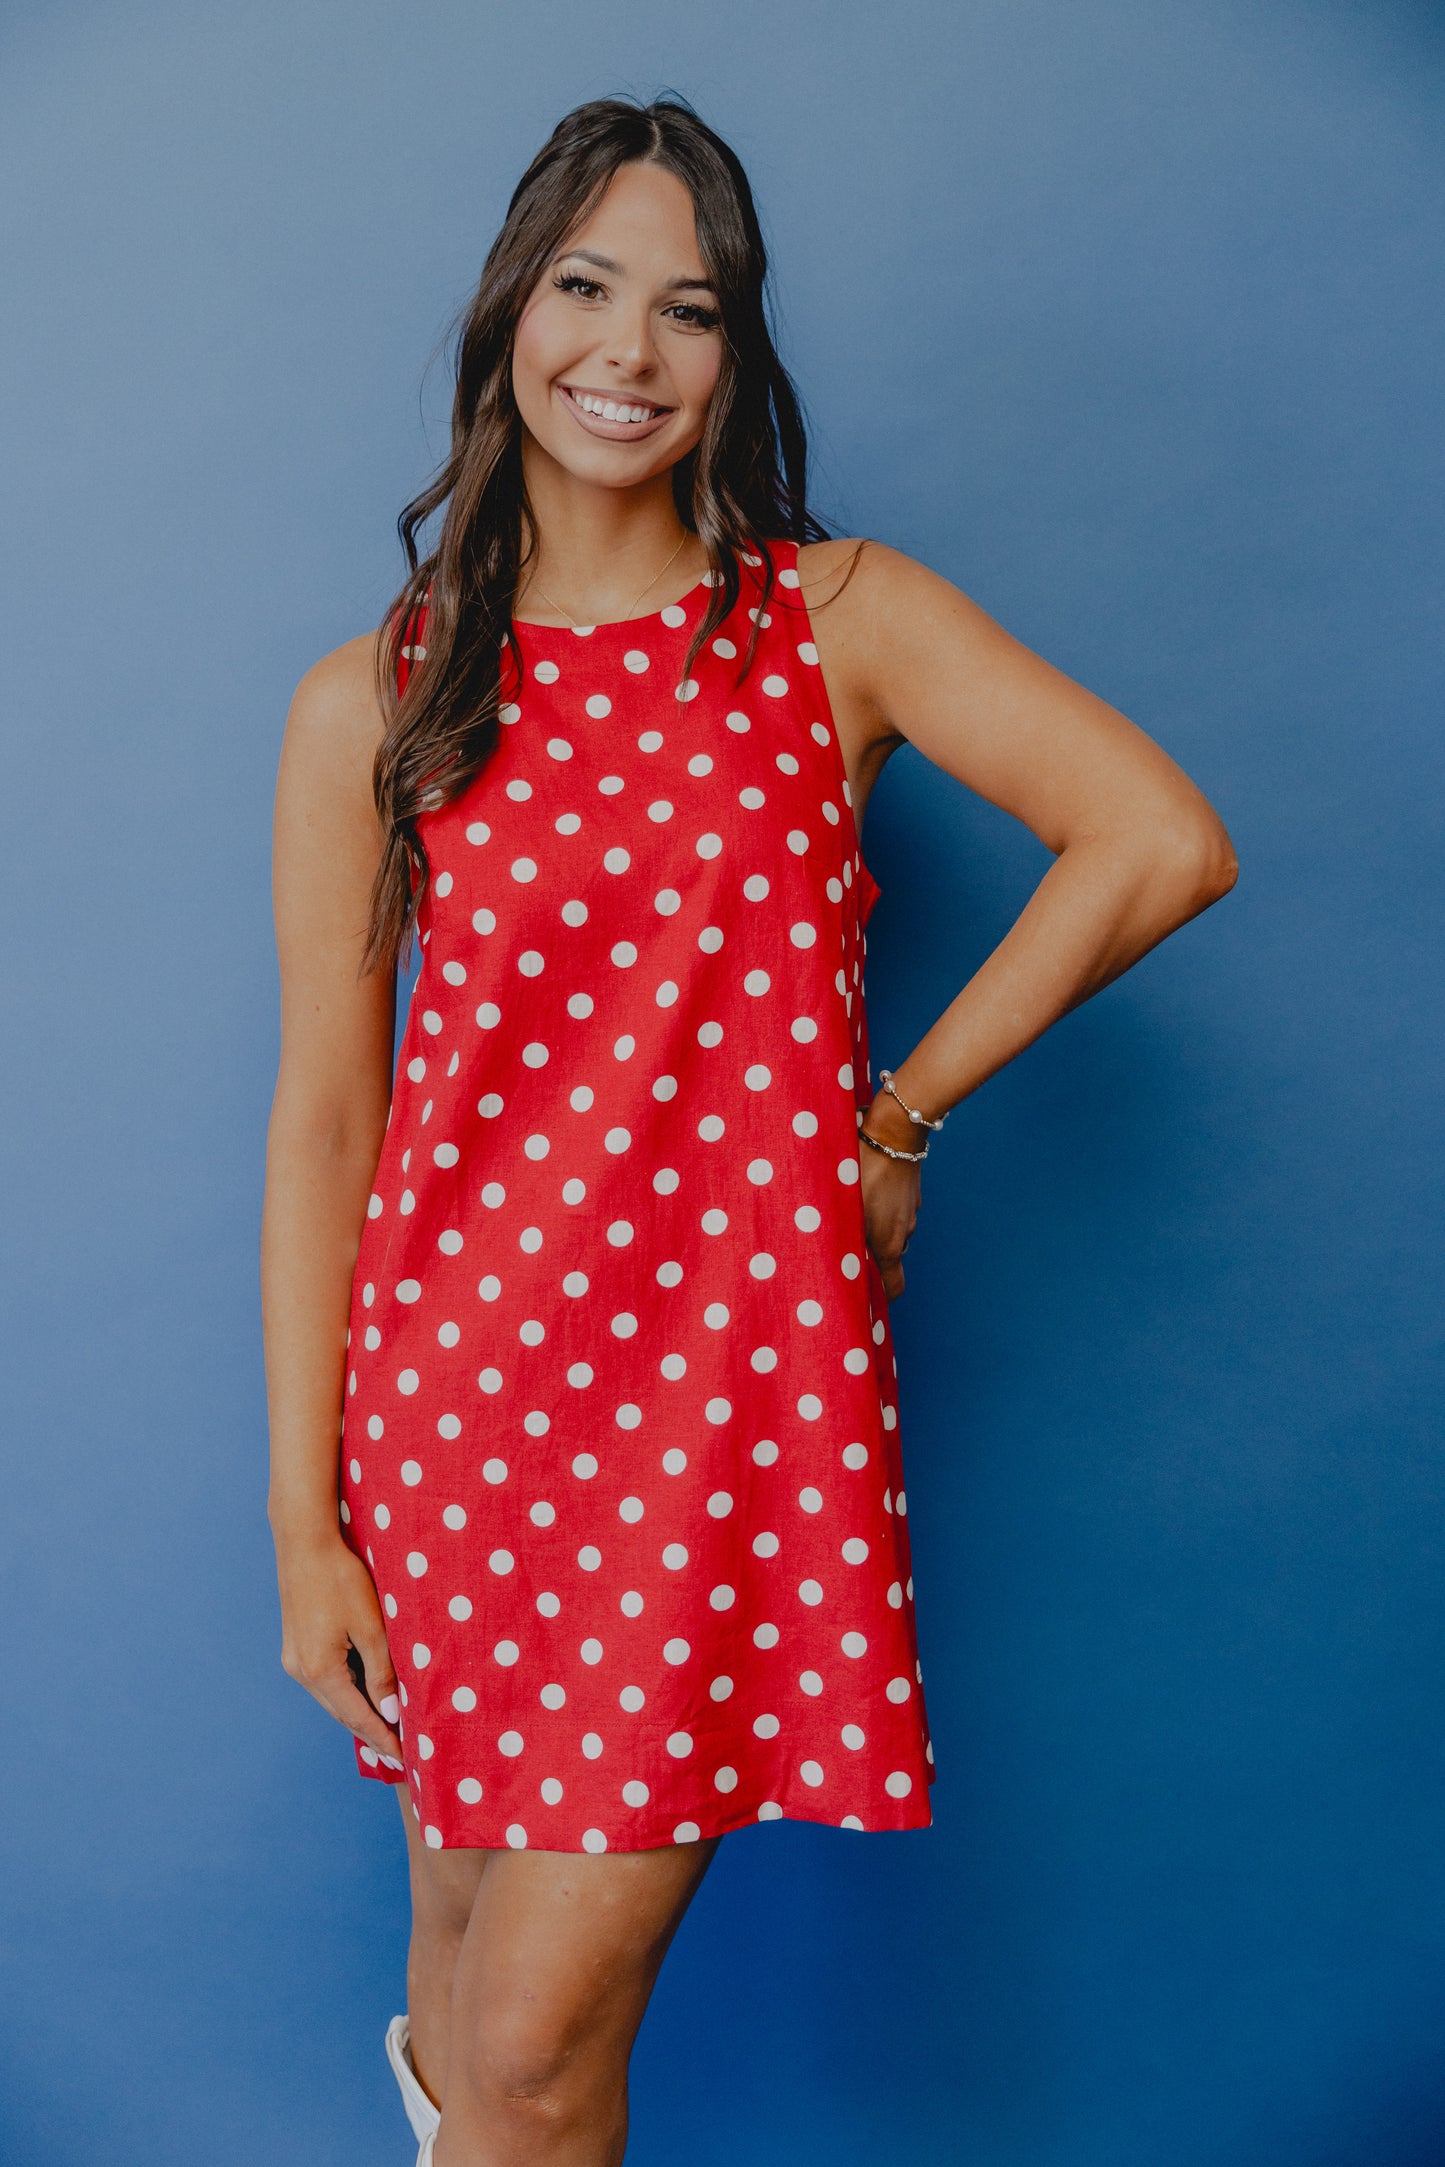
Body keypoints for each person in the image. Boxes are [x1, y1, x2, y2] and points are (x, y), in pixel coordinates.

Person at [261, 93, 1237, 2167]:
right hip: (455, 1420)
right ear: (511, 312)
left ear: (735, 351)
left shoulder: (831, 618)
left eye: (689, 308)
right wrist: (303, 1524)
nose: (628, 348)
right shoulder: (378, 696)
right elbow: (328, 1124)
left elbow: (1155, 840)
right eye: (586, 286)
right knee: (463, 2005)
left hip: (721, 1415)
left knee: (534, 2053)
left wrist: (898, 1114)